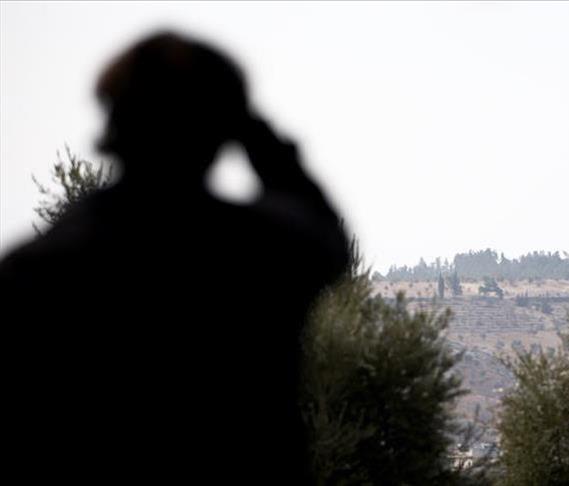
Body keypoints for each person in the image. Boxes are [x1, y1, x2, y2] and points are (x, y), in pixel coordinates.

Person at [1, 31, 350, 482]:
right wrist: (256, 133)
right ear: (222, 130)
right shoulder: (259, 251)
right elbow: (326, 235)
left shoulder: (40, 267)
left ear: (114, 122)